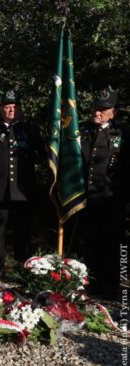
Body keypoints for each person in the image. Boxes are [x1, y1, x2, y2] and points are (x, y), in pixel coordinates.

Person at [0, 90, 43, 273]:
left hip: (22, 191)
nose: (11, 110)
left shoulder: (30, 131)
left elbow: (42, 157)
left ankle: (23, 271)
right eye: (7, 107)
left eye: (14, 107)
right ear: (1, 109)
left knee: (23, 232)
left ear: (20, 109)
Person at [79, 87, 128, 300]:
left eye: (102, 109)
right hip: (87, 198)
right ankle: (91, 282)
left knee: (110, 243)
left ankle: (110, 285)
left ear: (113, 113)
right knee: (90, 242)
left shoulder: (123, 135)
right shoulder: (83, 130)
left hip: (111, 200)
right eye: (95, 108)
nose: (97, 112)